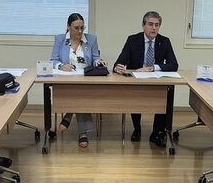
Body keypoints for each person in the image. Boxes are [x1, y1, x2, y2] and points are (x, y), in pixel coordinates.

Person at [114, 11, 179, 147]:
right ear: (143, 25)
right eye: (150, 24)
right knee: (136, 97)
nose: (154, 28)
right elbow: (120, 61)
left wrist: (153, 68)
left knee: (165, 96)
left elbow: (174, 64)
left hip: (157, 81)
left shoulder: (164, 41)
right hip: (136, 81)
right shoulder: (133, 40)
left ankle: (157, 133)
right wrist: (117, 67)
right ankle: (137, 129)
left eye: (157, 25)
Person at [51, 13, 105, 148]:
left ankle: (69, 114)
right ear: (69, 27)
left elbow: (95, 58)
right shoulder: (60, 39)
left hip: (86, 80)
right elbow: (53, 60)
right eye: (76, 28)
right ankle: (83, 133)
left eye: (82, 27)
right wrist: (61, 66)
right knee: (79, 94)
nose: (80, 31)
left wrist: (99, 62)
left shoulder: (91, 39)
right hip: (66, 81)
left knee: (81, 92)